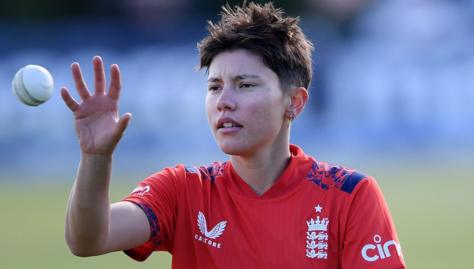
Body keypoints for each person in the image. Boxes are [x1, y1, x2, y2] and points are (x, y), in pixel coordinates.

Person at [61, 2, 406, 268]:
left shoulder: (349, 196)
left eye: (245, 85)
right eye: (214, 87)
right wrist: (95, 158)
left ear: (295, 103)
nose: (224, 102)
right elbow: (88, 240)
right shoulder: (183, 191)